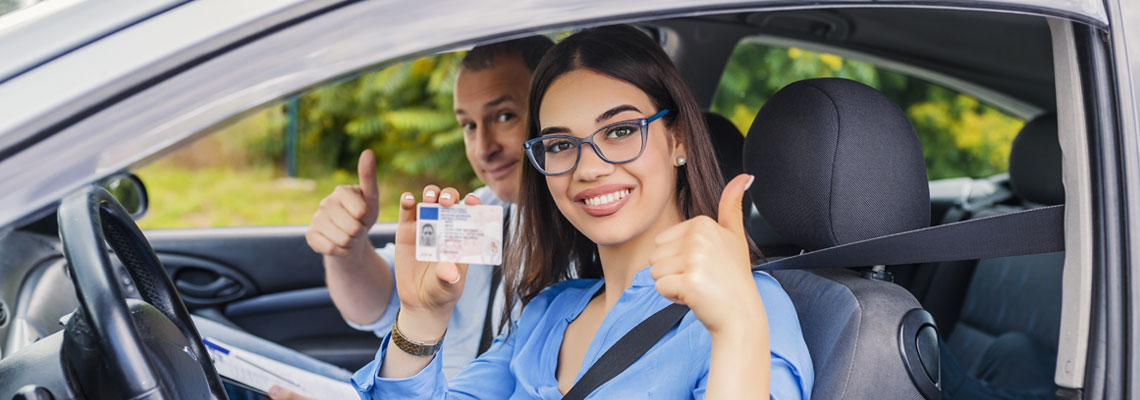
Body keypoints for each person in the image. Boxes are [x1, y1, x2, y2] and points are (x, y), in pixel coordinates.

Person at [351, 26, 813, 399]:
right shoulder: (549, 312)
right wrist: (421, 319)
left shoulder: (748, 304)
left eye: (619, 131)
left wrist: (737, 329)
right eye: (560, 144)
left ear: (679, 140)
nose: (588, 168)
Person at [194, 36, 552, 399]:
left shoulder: (587, 256)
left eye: (504, 116)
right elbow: (378, 306)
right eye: (469, 126)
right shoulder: (480, 210)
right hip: (412, 388)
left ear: (550, 113)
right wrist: (348, 249)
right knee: (202, 347)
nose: (483, 148)